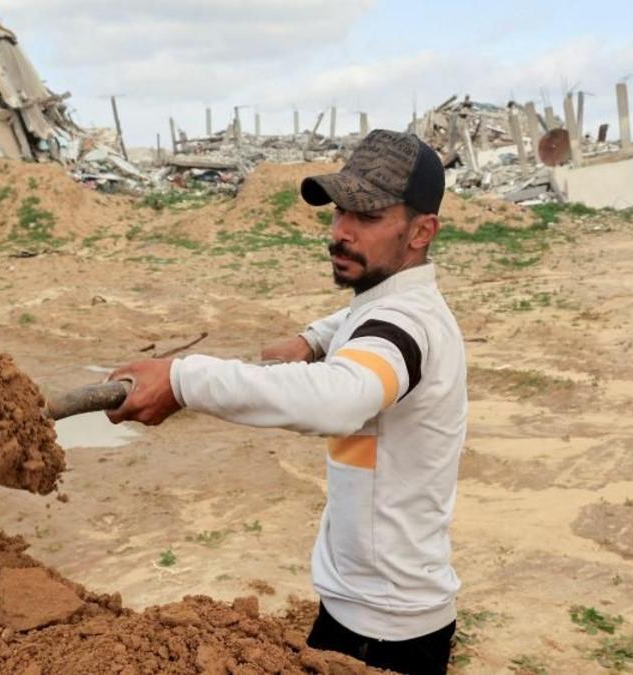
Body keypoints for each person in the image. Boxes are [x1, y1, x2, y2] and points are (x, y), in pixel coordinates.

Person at [106, 129, 467, 674]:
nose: (341, 232)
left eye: (367, 217)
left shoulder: (404, 329)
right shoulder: (394, 303)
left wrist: (183, 380)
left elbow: (341, 399)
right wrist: (313, 339)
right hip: (361, 606)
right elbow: (363, 315)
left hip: (385, 632)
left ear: (422, 231)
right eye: (339, 211)